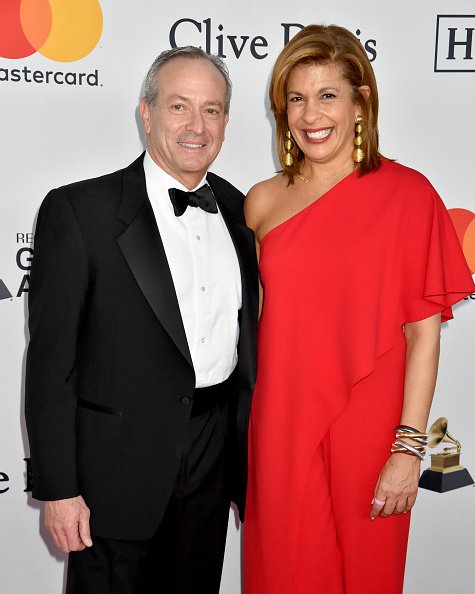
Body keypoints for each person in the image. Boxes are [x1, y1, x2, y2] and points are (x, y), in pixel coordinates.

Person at [243, 24, 475, 594]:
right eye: (296, 98)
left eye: (328, 95)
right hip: (280, 425)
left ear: (360, 100)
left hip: (371, 431)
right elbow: (259, 325)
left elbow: (424, 336)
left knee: (367, 576)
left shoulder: (408, 195)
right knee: (282, 575)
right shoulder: (262, 202)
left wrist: (407, 448)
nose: (310, 114)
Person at [25, 46, 257, 594]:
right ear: (146, 113)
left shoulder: (242, 211)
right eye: (179, 106)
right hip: (112, 474)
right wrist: (59, 488)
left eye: (212, 109)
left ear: (227, 120)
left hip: (211, 460)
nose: (197, 125)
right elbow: (52, 363)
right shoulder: (79, 211)